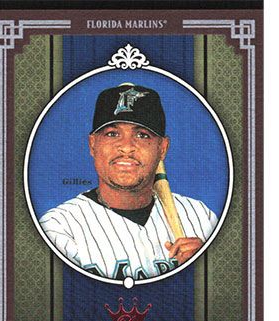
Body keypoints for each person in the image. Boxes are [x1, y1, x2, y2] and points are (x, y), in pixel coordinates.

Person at [39, 83, 218, 280]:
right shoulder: (59, 228)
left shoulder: (201, 217)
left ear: (162, 148)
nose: (126, 147)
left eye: (142, 135)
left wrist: (205, 268)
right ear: (92, 144)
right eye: (112, 134)